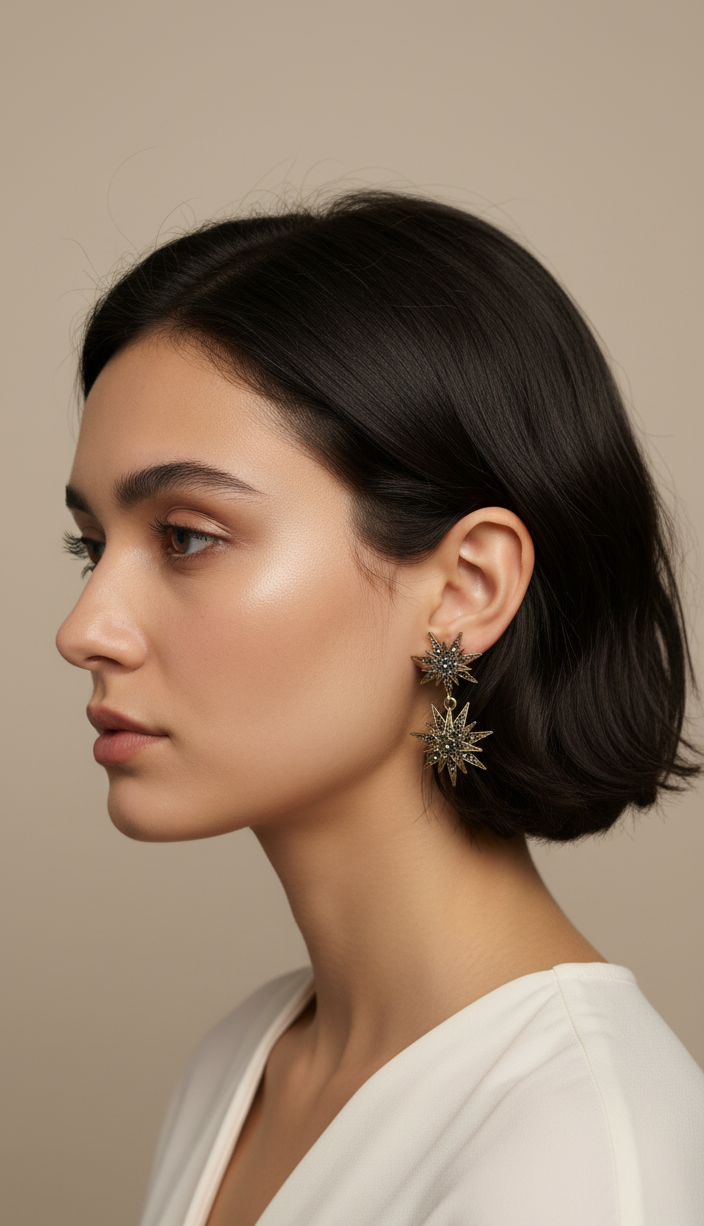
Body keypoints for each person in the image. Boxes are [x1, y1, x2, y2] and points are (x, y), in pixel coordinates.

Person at [56, 191, 704, 1226]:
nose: (85, 627)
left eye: (185, 536)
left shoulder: (576, 1149)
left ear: (464, 589)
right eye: (92, 547)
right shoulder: (240, 1061)